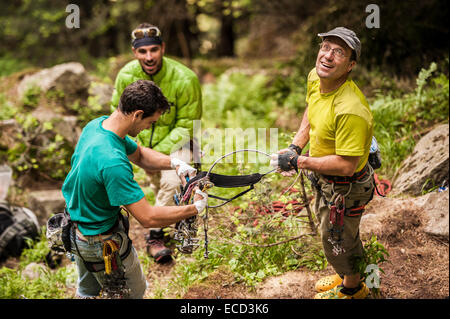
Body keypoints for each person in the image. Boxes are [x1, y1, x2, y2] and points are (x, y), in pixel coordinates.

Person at [62, 80, 207, 299]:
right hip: (101, 242)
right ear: (137, 114)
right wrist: (195, 208)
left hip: (77, 231)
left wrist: (175, 163)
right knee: (134, 293)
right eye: (151, 122)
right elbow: (148, 218)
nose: (149, 127)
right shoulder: (112, 162)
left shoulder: (98, 126)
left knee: (88, 291)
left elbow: (139, 154)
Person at [271, 27, 375, 299]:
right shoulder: (316, 79)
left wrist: (299, 161)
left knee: (337, 241)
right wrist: (296, 146)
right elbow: (311, 110)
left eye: (339, 52)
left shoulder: (351, 109)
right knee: (335, 235)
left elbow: (346, 166)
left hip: (346, 187)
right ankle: (348, 274)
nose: (328, 56)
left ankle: (353, 289)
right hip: (325, 179)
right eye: (326, 47)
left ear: (350, 65)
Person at [110, 22, 202, 263]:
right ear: (134, 52)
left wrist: (153, 154)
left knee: (171, 181)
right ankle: (171, 217)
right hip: (139, 142)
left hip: (178, 143)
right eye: (142, 51)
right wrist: (138, 149)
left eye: (153, 49)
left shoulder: (185, 78)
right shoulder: (126, 76)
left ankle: (154, 235)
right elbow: (116, 111)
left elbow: (188, 123)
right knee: (158, 186)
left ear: (163, 48)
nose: (149, 56)